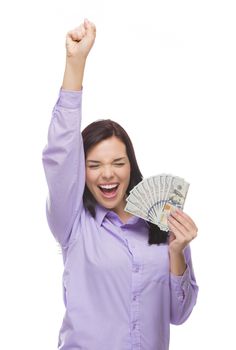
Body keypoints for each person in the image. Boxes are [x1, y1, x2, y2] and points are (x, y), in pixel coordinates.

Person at [42, 18, 199, 350]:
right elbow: (59, 154)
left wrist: (177, 252)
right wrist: (75, 64)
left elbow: (179, 314)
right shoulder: (73, 224)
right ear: (80, 172)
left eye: (118, 162)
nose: (107, 174)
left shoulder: (160, 227)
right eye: (94, 165)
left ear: (132, 166)